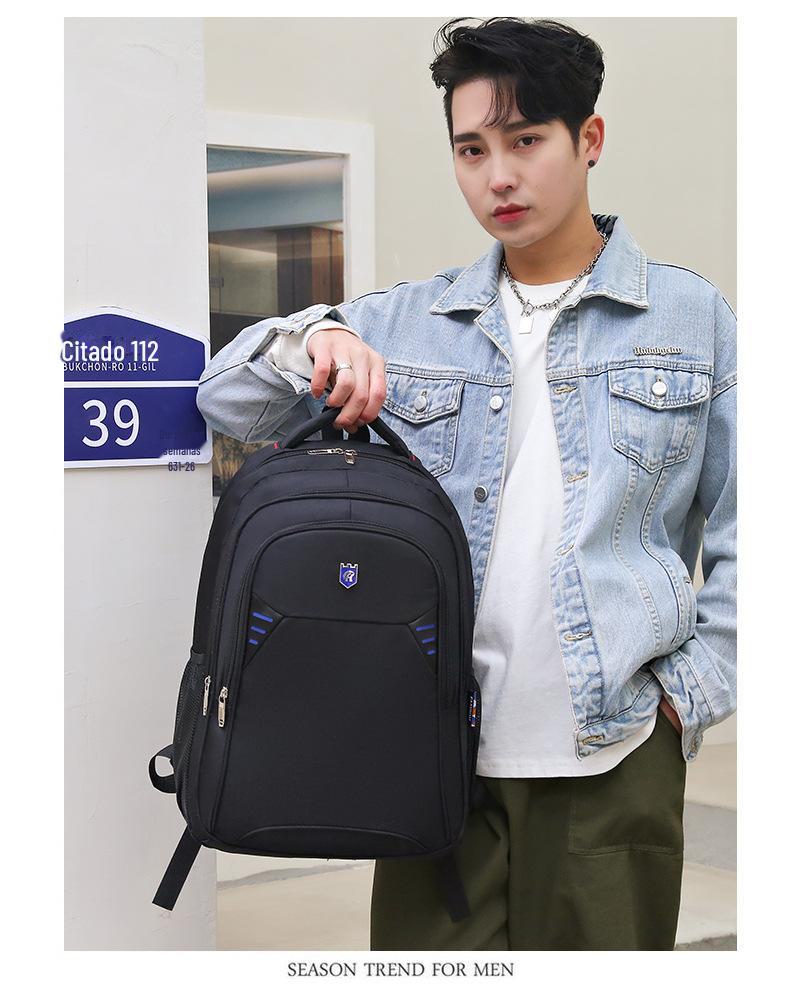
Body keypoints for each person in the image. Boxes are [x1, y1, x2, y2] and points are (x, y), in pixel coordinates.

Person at [196, 17, 736, 951]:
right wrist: (313, 336)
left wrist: (690, 691)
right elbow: (225, 399)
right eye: (472, 149)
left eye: (526, 141)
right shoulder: (408, 322)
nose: (499, 177)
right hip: (429, 745)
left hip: (614, 750)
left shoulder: (691, 320)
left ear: (589, 139)